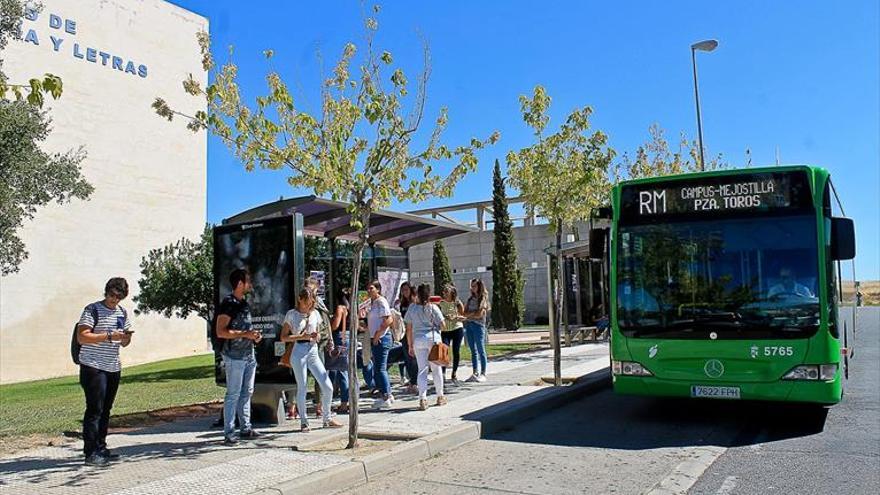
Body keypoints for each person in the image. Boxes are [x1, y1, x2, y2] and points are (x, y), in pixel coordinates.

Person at [76, 277, 134, 466]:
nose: (114, 300)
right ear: (106, 292)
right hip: (93, 365)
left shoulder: (122, 312)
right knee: (95, 409)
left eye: (119, 297)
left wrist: (125, 338)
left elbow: (124, 341)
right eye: (111, 295)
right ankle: (90, 452)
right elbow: (82, 337)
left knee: (106, 409)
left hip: (112, 365)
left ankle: (101, 446)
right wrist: (109, 336)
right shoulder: (92, 309)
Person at [280, 288, 343, 431]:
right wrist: (301, 337)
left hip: (313, 350)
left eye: (312, 302)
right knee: (302, 386)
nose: (309, 305)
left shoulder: (315, 313)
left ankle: (327, 418)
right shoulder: (292, 315)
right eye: (307, 302)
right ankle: (304, 421)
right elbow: (283, 337)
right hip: (299, 351)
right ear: (300, 299)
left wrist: (317, 336)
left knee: (327, 386)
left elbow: (320, 330)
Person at [216, 268, 262, 445]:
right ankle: (229, 432)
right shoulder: (229, 303)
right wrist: (245, 334)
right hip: (234, 356)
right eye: (248, 281)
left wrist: (253, 336)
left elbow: (245, 331)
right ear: (240, 283)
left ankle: (246, 427)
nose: (250, 284)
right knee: (233, 394)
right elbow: (221, 332)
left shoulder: (244, 303)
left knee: (247, 392)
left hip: (248, 354)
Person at [405, 283, 447, 410]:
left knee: (422, 370)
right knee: (436, 369)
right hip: (433, 340)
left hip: (418, 340)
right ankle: (440, 396)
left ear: (417, 294)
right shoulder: (433, 307)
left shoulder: (412, 308)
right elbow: (443, 325)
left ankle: (422, 399)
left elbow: (409, 328)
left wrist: (410, 345)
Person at [365, 280, 395, 409]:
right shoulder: (373, 303)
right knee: (378, 368)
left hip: (382, 338)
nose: (369, 290)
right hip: (375, 338)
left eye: (371, 288)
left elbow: (388, 319)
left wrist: (378, 334)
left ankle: (386, 395)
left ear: (378, 289)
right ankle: (386, 393)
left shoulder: (381, 301)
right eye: (368, 288)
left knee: (380, 368)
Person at [329, 287, 351, 414]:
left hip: (339, 337)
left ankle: (343, 402)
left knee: (338, 370)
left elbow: (335, 325)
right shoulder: (350, 308)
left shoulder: (340, 308)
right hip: (347, 336)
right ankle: (345, 401)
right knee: (344, 369)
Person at [393, 282, 418, 392]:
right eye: (403, 290)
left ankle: (415, 381)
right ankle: (411, 379)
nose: (404, 292)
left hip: (414, 332)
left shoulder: (415, 302)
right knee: (407, 357)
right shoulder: (402, 303)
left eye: (406, 289)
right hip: (404, 333)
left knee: (413, 358)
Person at [463, 278, 489, 383]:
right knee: (473, 350)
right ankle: (475, 372)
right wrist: (472, 314)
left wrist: (471, 315)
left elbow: (480, 314)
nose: (472, 288)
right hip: (469, 325)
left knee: (480, 349)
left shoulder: (483, 298)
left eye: (474, 286)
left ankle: (483, 373)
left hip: (478, 326)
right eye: (471, 286)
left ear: (479, 286)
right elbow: (464, 313)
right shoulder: (470, 299)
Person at [438, 284, 465, 384]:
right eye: (443, 292)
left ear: (451, 293)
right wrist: (445, 316)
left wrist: (455, 317)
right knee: (444, 351)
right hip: (445, 330)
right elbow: (437, 314)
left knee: (456, 351)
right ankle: (443, 373)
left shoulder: (457, 302)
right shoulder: (441, 302)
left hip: (457, 328)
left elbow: (463, 315)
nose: (444, 293)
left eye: (446, 292)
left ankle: (454, 372)